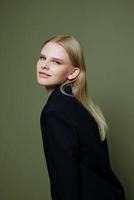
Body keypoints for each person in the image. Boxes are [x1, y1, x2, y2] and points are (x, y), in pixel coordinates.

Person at [36, 35, 126, 200]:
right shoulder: (81, 106)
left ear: (73, 73)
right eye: (42, 58)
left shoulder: (55, 113)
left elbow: (65, 182)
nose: (45, 65)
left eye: (56, 62)